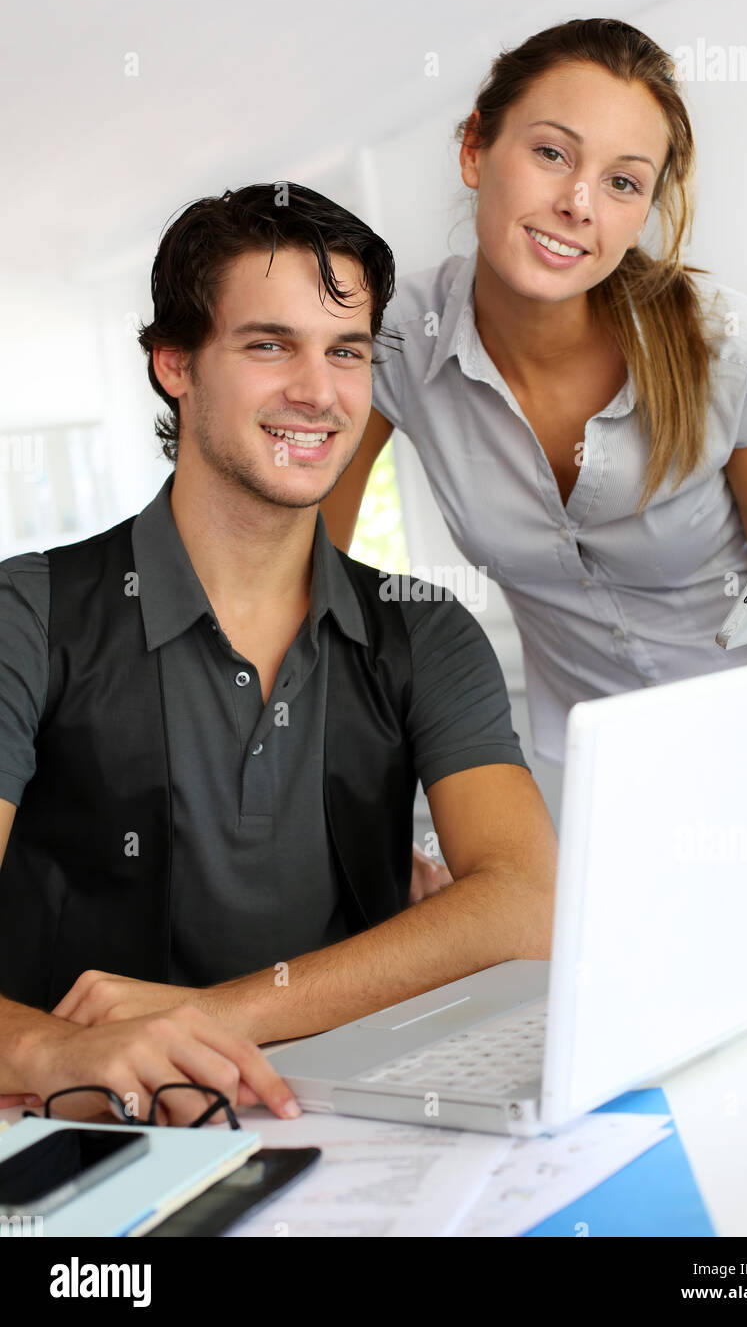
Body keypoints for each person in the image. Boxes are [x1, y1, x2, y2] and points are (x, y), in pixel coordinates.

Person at [0, 183, 557, 1122]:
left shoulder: (424, 629)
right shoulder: (29, 615)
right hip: (89, 1132)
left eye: (347, 352)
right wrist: (57, 1045)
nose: (318, 391)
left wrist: (217, 1016)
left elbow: (528, 904)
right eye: (269, 345)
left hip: (345, 1123)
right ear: (174, 363)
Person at [320, 16, 747, 778]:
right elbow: (313, 577)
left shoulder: (735, 352)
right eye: (551, 153)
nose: (579, 203)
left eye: (622, 182)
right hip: (592, 769)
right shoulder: (395, 339)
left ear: (644, 210)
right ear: (475, 148)